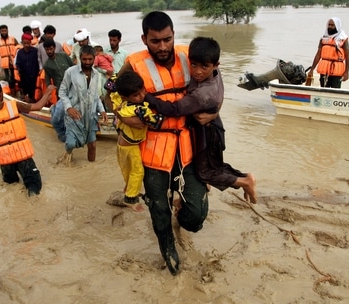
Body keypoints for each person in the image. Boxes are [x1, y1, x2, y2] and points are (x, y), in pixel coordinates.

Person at [109, 11, 214, 276]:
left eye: (167, 39)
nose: (163, 46)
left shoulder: (187, 55)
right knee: (158, 209)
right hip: (153, 148)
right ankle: (168, 249)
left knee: (197, 214)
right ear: (145, 38)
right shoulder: (133, 63)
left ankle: (183, 216)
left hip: (187, 144)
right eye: (155, 41)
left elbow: (215, 83)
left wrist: (214, 113)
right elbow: (110, 95)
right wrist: (123, 116)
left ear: (174, 35)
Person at [143, 37, 257, 203]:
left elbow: (173, 109)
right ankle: (244, 178)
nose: (197, 72)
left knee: (205, 172)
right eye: (194, 64)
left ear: (216, 65)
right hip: (212, 125)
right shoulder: (214, 74)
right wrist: (216, 111)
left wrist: (145, 95)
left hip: (209, 132)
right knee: (213, 165)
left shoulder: (202, 94)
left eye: (204, 67)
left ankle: (244, 181)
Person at [0, 80, 55, 197]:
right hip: (22, 155)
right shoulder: (14, 105)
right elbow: (38, 106)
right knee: (34, 186)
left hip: (6, 161)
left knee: (11, 187)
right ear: (1, 94)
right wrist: (47, 92)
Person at [110, 71, 163, 212]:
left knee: (129, 171)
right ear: (125, 96)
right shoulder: (139, 109)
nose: (141, 96)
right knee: (138, 171)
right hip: (130, 146)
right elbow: (156, 123)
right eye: (136, 95)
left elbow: (109, 85)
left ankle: (129, 189)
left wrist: (116, 78)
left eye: (142, 91)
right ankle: (130, 199)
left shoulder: (121, 102)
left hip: (123, 145)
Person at [58, 45, 107, 165]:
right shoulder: (70, 72)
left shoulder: (96, 75)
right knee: (70, 144)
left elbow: (95, 96)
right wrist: (69, 107)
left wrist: (102, 110)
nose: (87, 62)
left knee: (93, 145)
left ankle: (92, 169)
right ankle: (68, 155)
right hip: (75, 115)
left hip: (90, 117)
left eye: (90, 59)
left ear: (94, 58)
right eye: (84, 59)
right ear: (80, 58)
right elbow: (62, 92)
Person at [42, 39, 75, 141]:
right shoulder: (47, 65)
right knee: (57, 119)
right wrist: (49, 92)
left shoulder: (63, 56)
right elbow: (47, 81)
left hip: (74, 88)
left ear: (54, 48)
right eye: (47, 49)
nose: (49, 51)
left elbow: (74, 68)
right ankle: (62, 134)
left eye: (51, 49)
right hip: (62, 92)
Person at [307, 17, 349, 88]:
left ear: (337, 26)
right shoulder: (323, 38)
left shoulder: (343, 38)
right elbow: (318, 55)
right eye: (329, 25)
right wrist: (312, 69)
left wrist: (346, 72)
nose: (330, 26)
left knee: (335, 91)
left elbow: (348, 56)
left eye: (332, 25)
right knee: (323, 90)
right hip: (324, 70)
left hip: (337, 70)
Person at [0, 24, 19, 96]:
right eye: (2, 31)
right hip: (5, 65)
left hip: (14, 62)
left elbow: (19, 48)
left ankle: (18, 93)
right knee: (9, 80)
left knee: (17, 78)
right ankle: (13, 95)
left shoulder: (13, 39)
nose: (4, 32)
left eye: (5, 30)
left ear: (7, 30)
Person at [15, 33, 39, 102]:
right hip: (24, 76)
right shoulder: (20, 52)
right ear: (22, 43)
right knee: (25, 91)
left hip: (34, 76)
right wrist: (19, 70)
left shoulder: (35, 51)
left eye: (28, 43)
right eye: (25, 43)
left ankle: (34, 102)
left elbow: (38, 62)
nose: (26, 45)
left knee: (34, 92)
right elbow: (17, 63)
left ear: (30, 43)